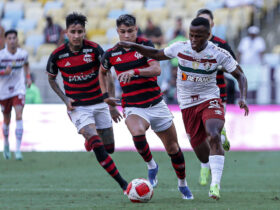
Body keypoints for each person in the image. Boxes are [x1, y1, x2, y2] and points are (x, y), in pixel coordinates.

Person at [117, 17, 249, 200]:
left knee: (213, 134)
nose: (194, 40)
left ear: (208, 36)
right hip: (187, 104)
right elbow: (156, 54)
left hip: (209, 98)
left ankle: (215, 185)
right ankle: (218, 135)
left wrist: (242, 97)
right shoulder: (181, 47)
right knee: (203, 156)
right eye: (191, 35)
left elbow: (240, 75)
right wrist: (135, 46)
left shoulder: (218, 53)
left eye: (198, 36)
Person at [99, 14, 193, 200]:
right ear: (118, 32)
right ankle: (151, 165)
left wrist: (134, 71)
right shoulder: (111, 54)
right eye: (123, 32)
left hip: (156, 104)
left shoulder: (145, 46)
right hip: (134, 106)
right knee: (137, 132)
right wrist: (106, 97)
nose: (127, 35)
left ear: (136, 29)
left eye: (130, 31)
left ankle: (182, 184)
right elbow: (102, 72)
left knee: (173, 148)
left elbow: (156, 69)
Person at [46, 13, 128, 194]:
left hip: (99, 103)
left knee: (109, 148)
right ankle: (123, 184)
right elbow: (51, 79)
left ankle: (91, 141)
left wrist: (112, 105)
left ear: (84, 32)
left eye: (80, 32)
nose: (76, 35)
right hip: (78, 106)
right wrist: (65, 99)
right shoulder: (57, 55)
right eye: (73, 32)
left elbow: (107, 74)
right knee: (96, 141)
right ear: (66, 32)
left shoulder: (94, 50)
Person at [196, 8, 236, 186]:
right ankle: (205, 165)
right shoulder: (193, 44)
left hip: (218, 93)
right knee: (203, 135)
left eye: (206, 21)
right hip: (197, 94)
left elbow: (233, 66)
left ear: (212, 24)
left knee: (213, 135)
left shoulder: (221, 44)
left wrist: (216, 66)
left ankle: (211, 174)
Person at [0, 29, 32, 160]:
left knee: (19, 115)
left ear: (17, 39)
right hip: (4, 91)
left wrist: (28, 77)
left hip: (18, 90)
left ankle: (18, 149)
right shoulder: (1, 55)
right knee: (6, 120)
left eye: (14, 38)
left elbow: (26, 64)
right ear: (5, 40)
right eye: (10, 38)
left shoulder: (23, 54)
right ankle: (6, 143)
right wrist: (3, 73)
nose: (12, 41)